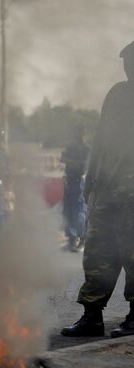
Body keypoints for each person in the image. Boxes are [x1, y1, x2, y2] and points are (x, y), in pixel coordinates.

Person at [61, 41, 134, 338]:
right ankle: (92, 316)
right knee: (97, 250)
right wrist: (90, 179)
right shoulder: (117, 94)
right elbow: (102, 140)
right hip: (108, 188)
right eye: (127, 60)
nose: (128, 66)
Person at [59, 125, 90, 253]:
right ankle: (71, 239)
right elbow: (62, 158)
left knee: (79, 212)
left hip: (79, 182)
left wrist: (69, 161)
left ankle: (82, 239)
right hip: (69, 181)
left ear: (84, 134)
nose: (77, 136)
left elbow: (82, 167)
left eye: (79, 133)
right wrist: (70, 161)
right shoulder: (71, 147)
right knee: (68, 211)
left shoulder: (87, 149)